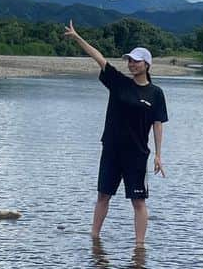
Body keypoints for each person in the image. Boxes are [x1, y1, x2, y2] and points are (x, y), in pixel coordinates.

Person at [64, 20, 168, 247]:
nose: (131, 64)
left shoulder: (156, 94)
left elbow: (158, 124)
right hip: (112, 149)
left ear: (147, 65)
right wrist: (77, 37)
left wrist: (159, 155)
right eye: (129, 60)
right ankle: (94, 238)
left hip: (137, 154)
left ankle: (139, 246)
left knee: (138, 201)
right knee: (103, 195)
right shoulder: (119, 83)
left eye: (135, 61)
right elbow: (99, 58)